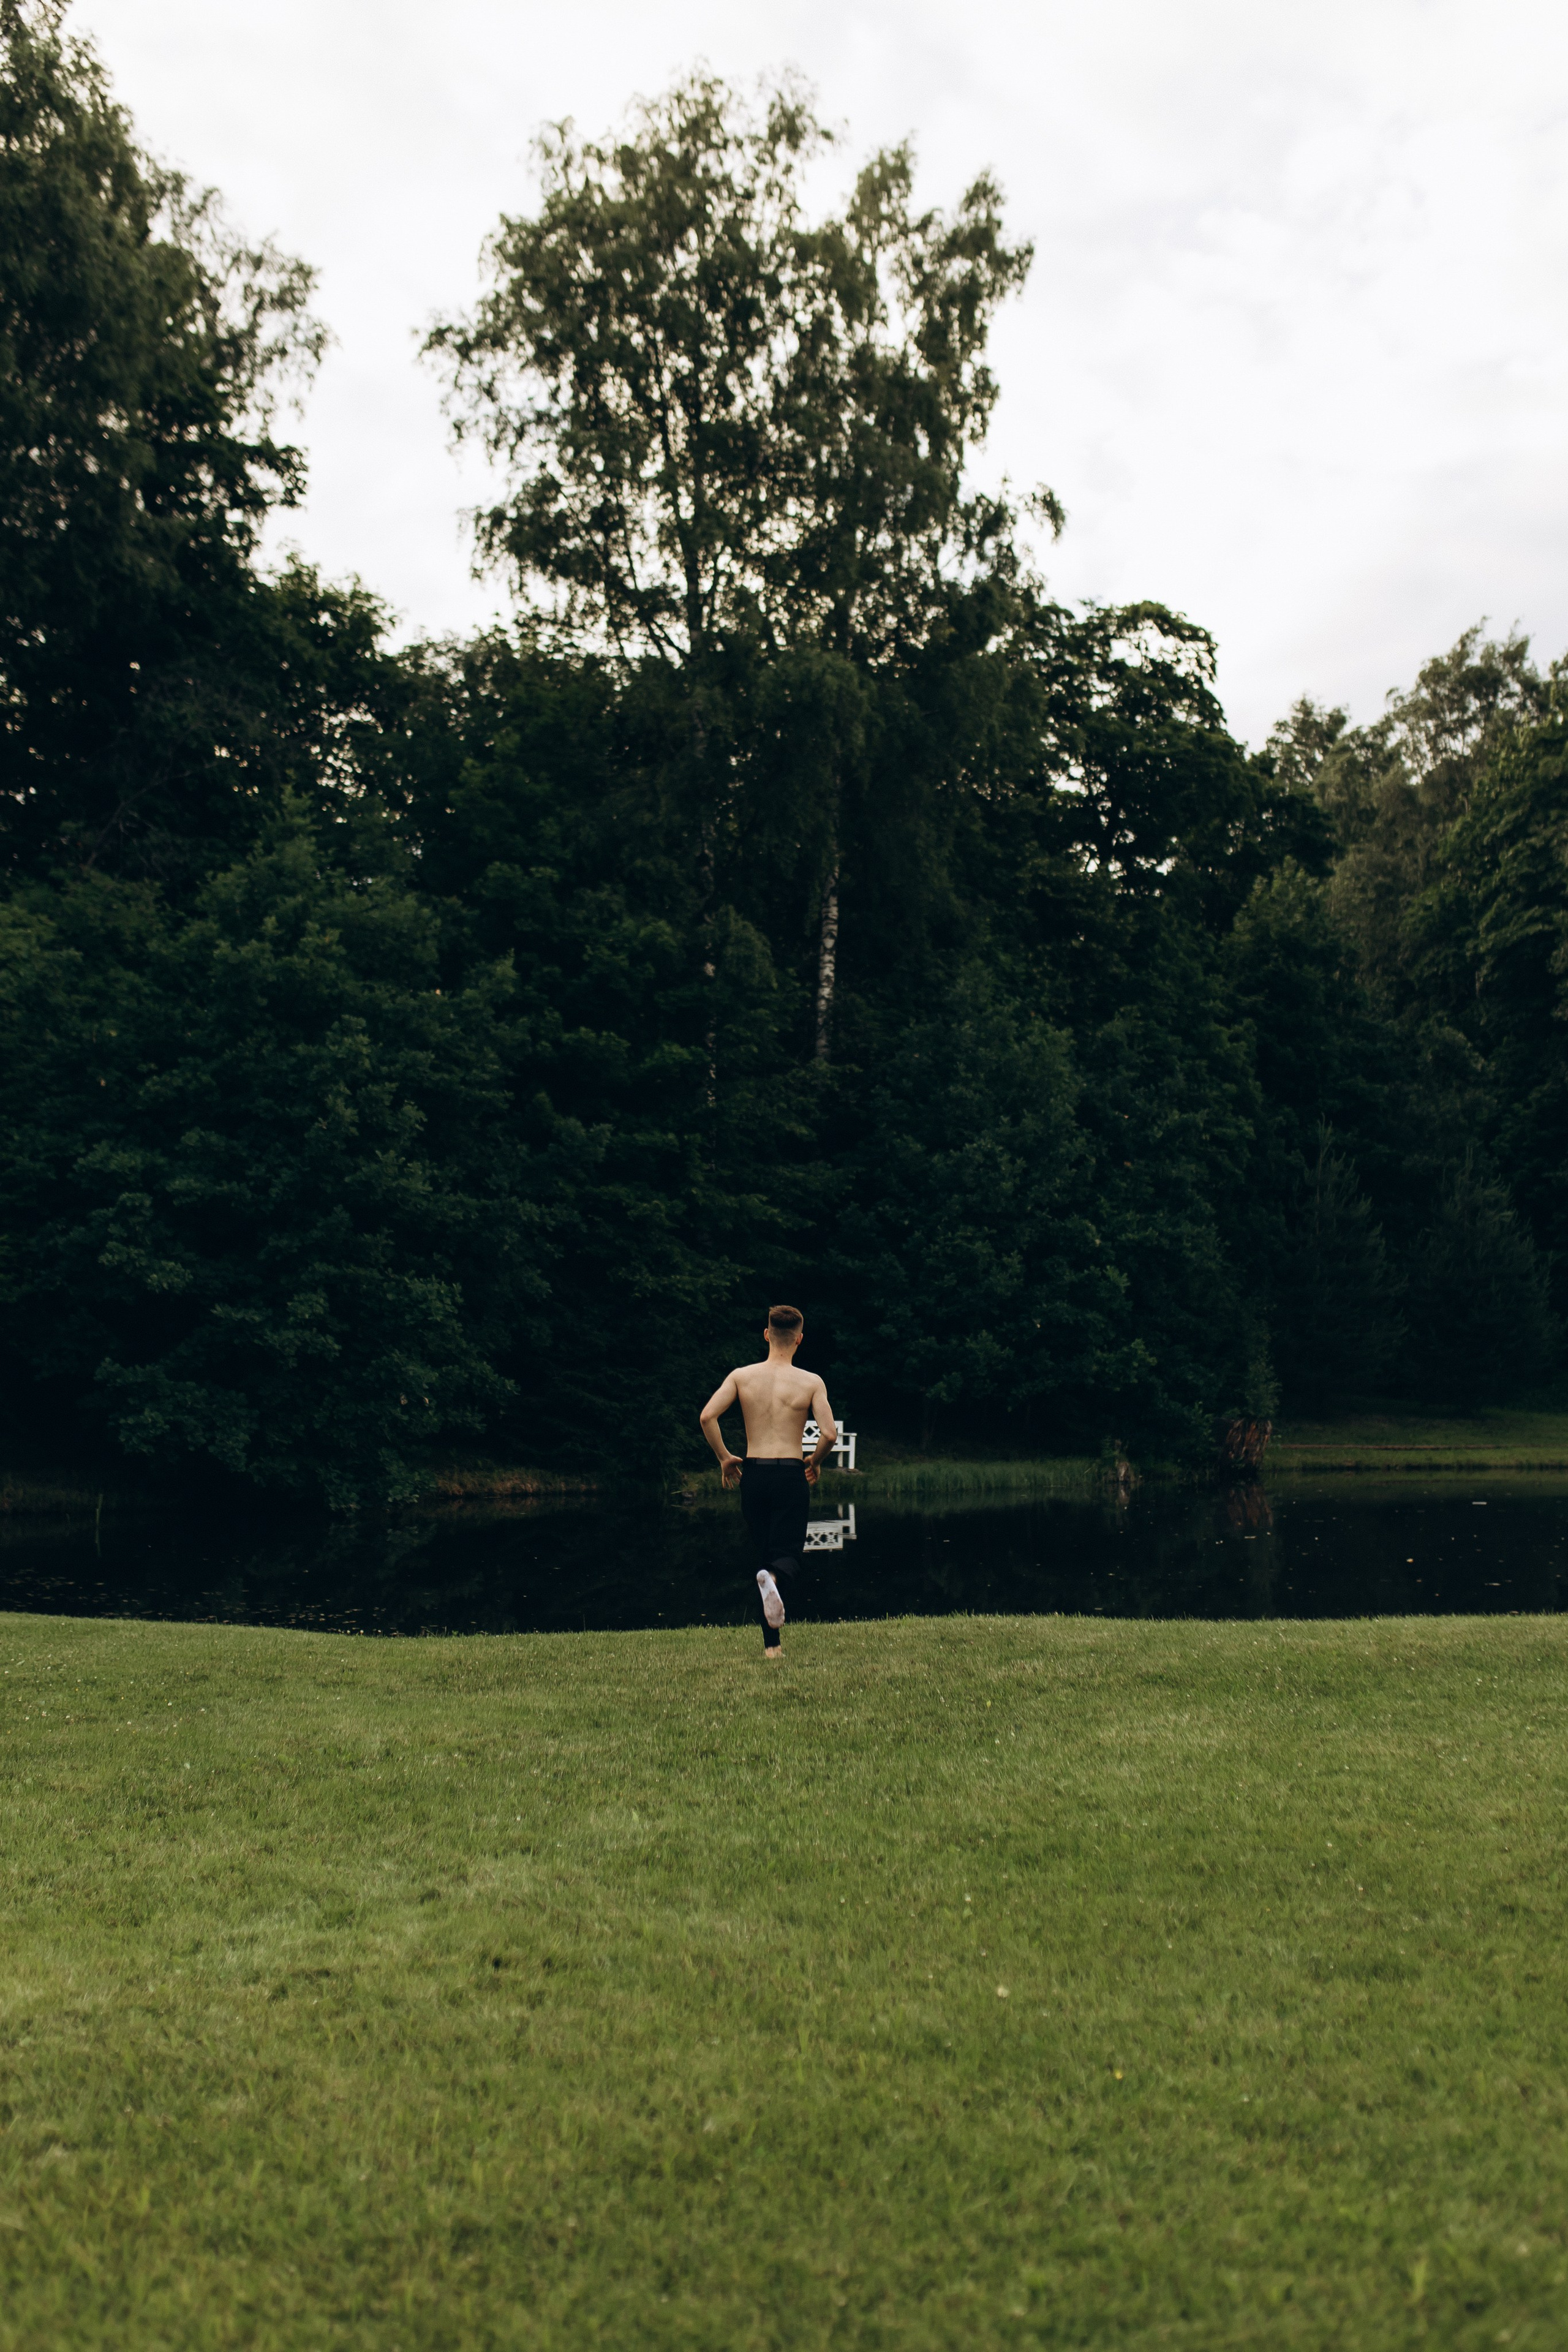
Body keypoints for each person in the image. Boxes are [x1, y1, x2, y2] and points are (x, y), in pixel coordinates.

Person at [699, 1305, 837, 1659]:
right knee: (786, 1555)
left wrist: (725, 1457)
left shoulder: (742, 1377)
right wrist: (815, 1461)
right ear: (800, 1340)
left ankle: (772, 1649)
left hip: (754, 1473)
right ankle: (774, 1582)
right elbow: (830, 1434)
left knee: (763, 1556)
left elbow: (707, 1416)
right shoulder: (810, 1382)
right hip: (791, 1473)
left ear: (766, 1334)